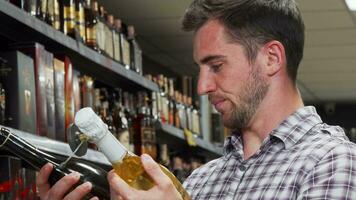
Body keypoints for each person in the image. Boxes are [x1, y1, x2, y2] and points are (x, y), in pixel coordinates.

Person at [36, 0, 356, 199]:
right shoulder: (203, 179)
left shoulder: (333, 163)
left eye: (216, 66)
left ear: (271, 58)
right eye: (200, 69)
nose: (202, 87)